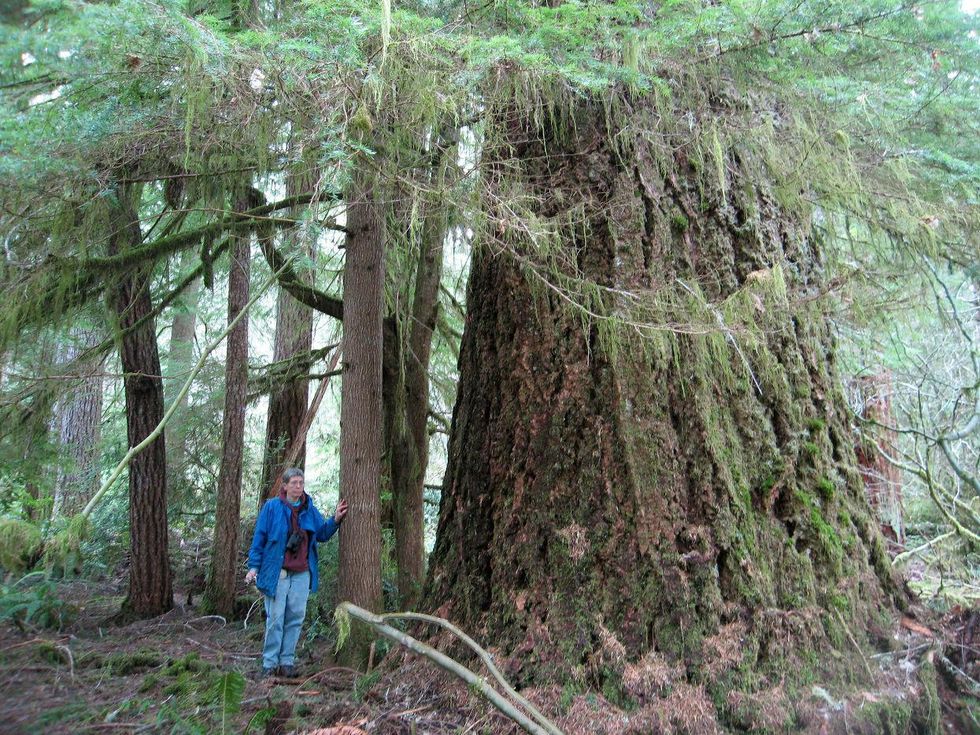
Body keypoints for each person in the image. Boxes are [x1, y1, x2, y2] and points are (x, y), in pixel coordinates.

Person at [245, 468, 348, 678]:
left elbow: (322, 533)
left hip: (302, 573)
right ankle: (269, 663)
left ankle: (287, 662)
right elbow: (260, 538)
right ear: (284, 486)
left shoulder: (308, 508)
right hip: (277, 573)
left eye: (301, 483)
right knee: (275, 618)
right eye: (294, 483)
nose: (298, 487)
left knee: (295, 618)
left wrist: (336, 519)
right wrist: (253, 567)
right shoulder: (272, 508)